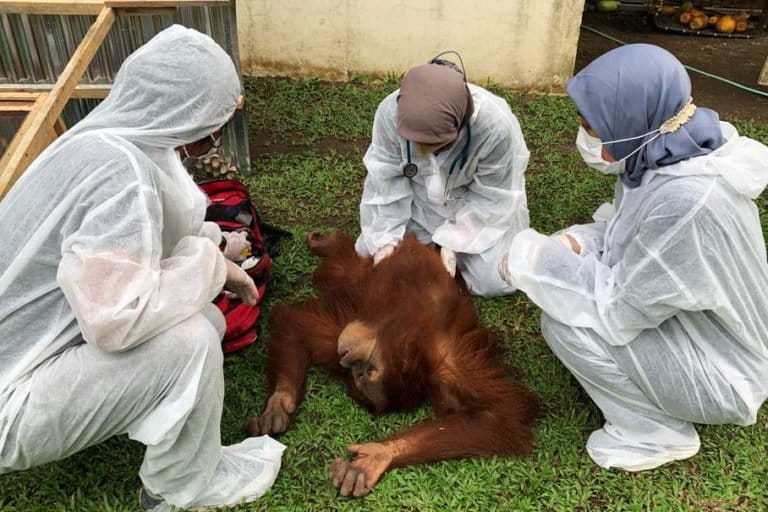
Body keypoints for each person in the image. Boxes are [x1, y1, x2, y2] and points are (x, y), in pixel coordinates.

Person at [0, 26, 284, 511]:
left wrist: (215, 247)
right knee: (192, 338)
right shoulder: (120, 176)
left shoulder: (102, 142)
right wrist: (211, 269)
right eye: (211, 125)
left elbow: (148, 238)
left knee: (206, 321)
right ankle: (176, 490)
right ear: (185, 113)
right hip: (11, 402)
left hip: (21, 357)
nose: (211, 139)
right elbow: (119, 320)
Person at [500, 44, 768, 472]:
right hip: (699, 329)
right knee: (569, 280)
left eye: (594, 127)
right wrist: (574, 245)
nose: (585, 138)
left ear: (632, 121)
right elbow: (623, 232)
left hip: (726, 376)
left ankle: (655, 435)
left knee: (568, 322)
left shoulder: (687, 199)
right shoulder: (666, 154)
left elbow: (622, 308)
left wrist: (534, 261)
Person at [355, 54, 530, 297]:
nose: (428, 152)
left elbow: (494, 196)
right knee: (369, 252)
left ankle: (450, 248)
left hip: (473, 207)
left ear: (460, 124)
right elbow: (384, 177)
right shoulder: (390, 113)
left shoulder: (494, 127)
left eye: (440, 146)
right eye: (417, 143)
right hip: (419, 200)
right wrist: (386, 239)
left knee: (495, 280)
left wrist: (454, 241)